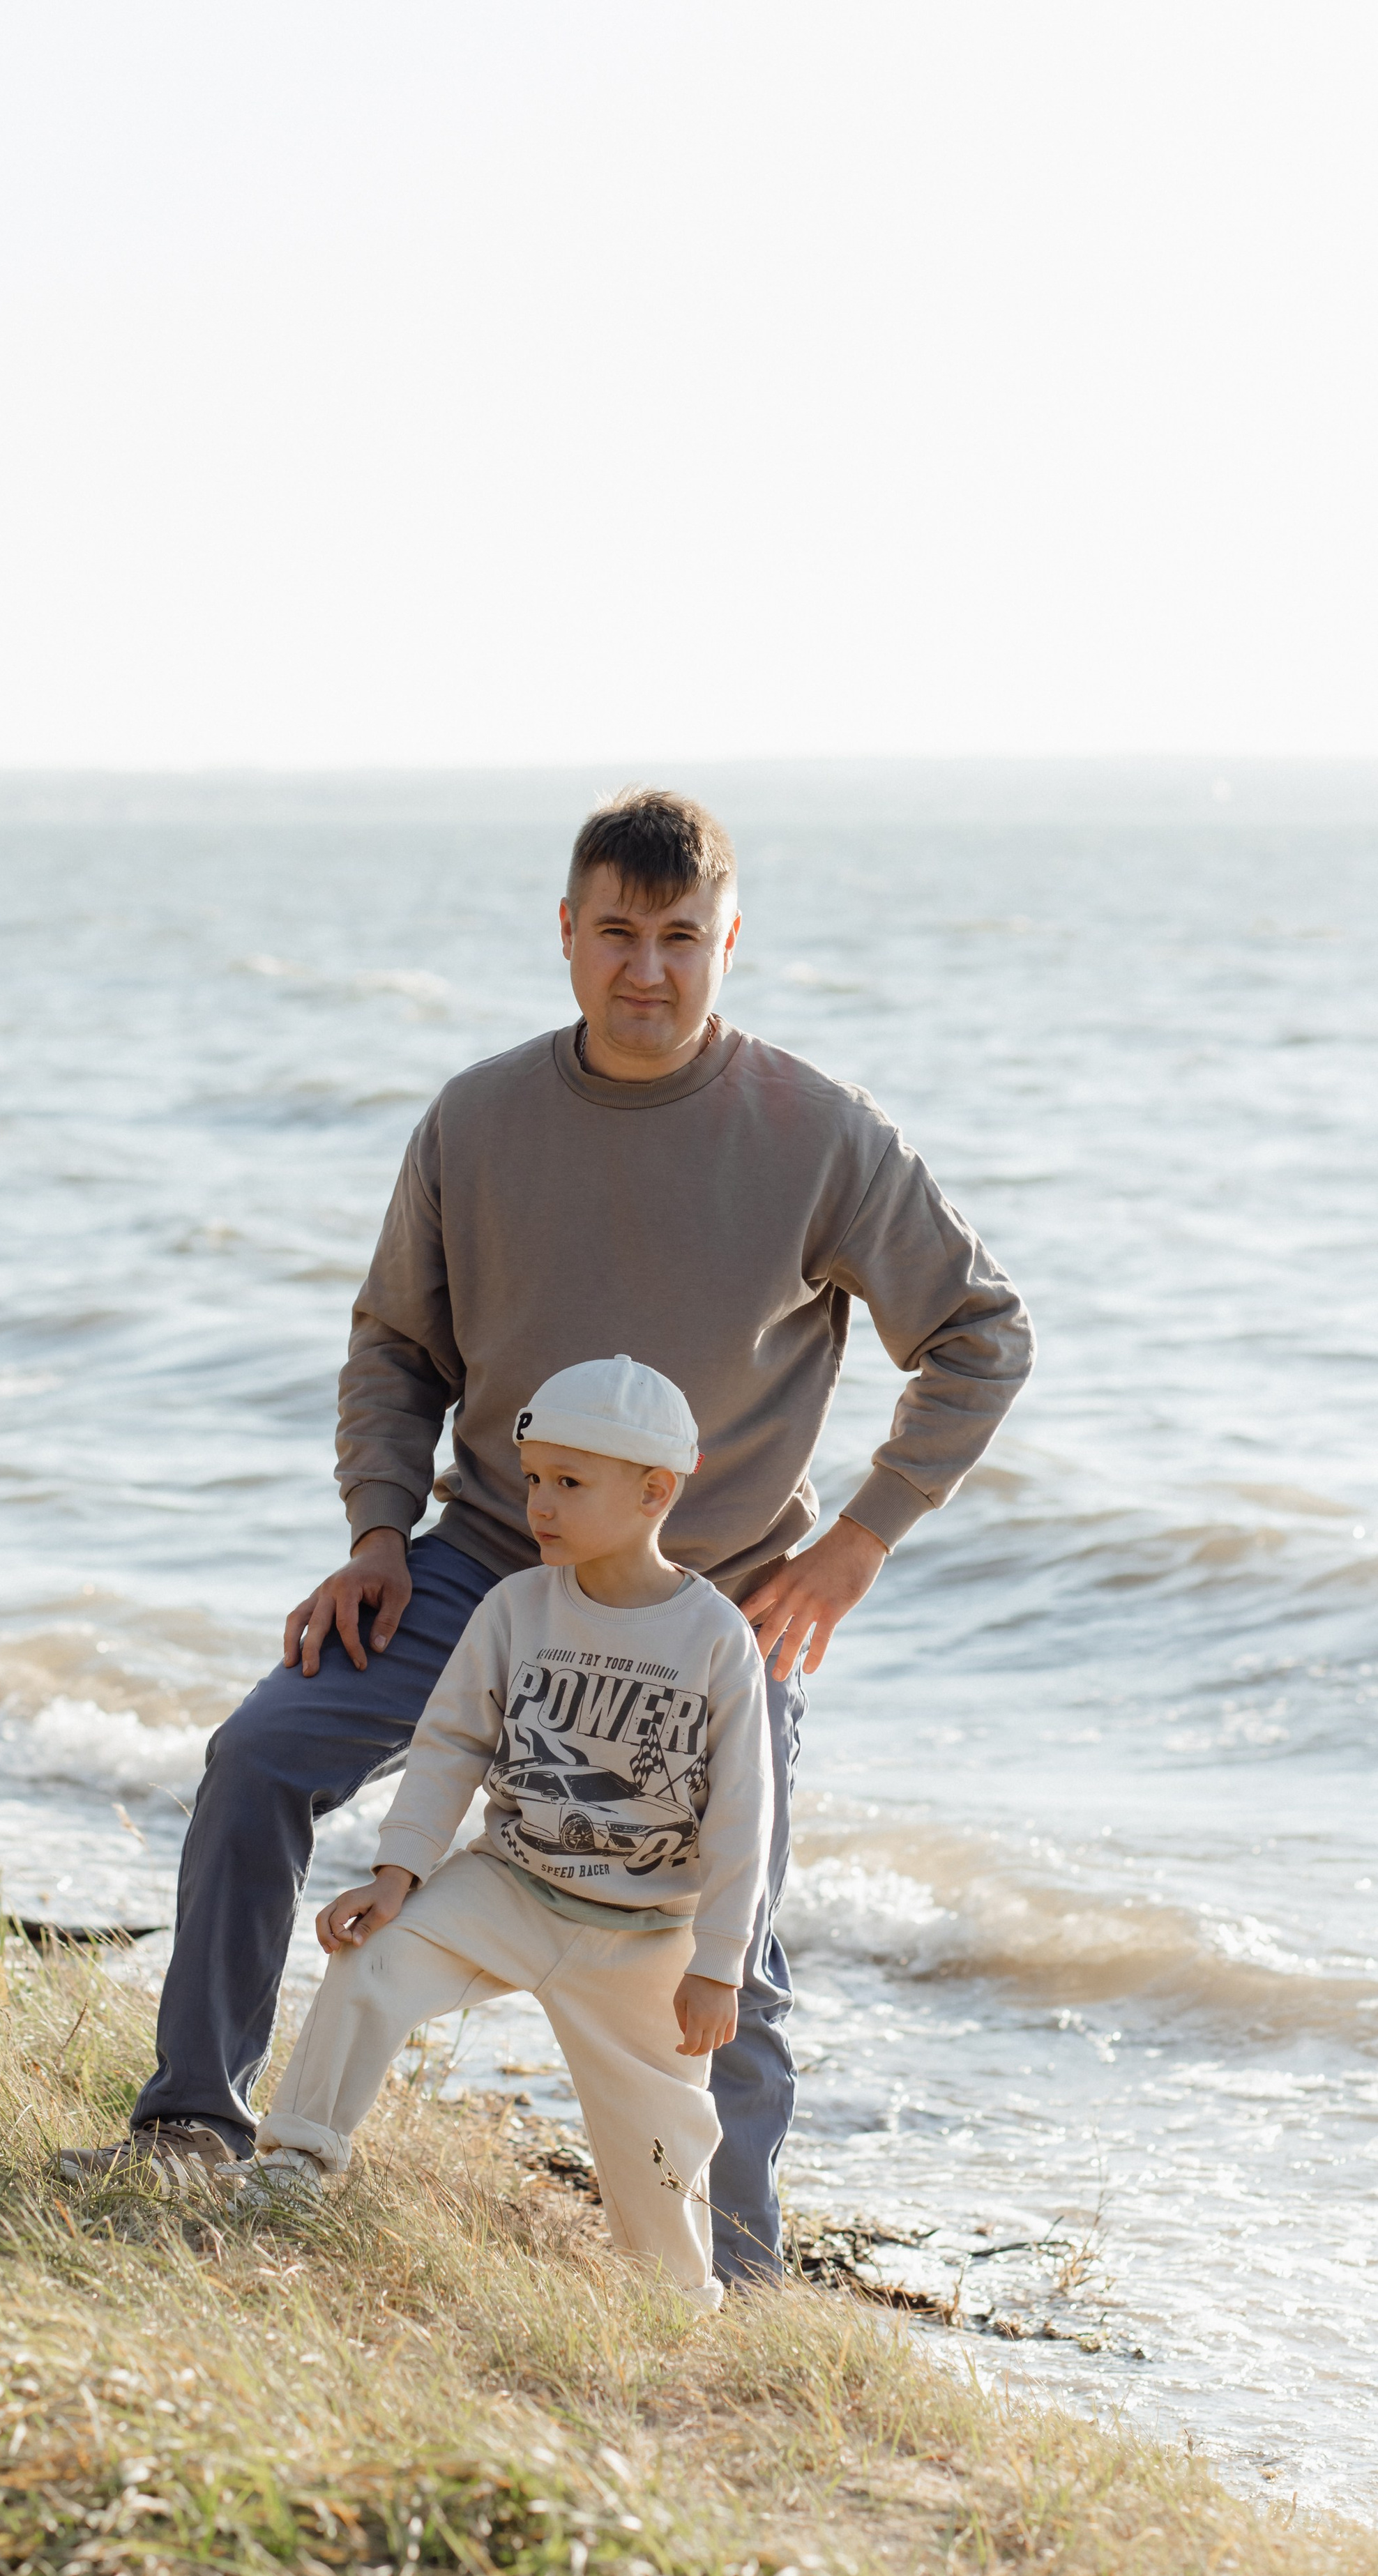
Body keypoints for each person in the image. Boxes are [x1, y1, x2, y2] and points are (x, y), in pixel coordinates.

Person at [57, 786, 1034, 2284]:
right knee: (259, 1759)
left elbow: (977, 1334)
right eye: (617, 935)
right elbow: (395, 1347)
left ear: (727, 943)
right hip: (478, 1569)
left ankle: (736, 2286)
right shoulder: (478, 1116)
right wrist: (378, 1530)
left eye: (681, 938)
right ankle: (193, 2122)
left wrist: (859, 1541)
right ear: (565, 935)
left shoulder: (817, 1136)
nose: (647, 969)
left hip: (711, 1601)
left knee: (731, 1948)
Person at [223, 1356, 771, 2315]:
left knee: (662, 2137)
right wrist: (398, 1874)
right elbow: (450, 1746)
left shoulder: (715, 1637)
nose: (541, 1505)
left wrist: (719, 1963)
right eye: (533, 1480)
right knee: (372, 1967)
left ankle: (677, 2305)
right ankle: (294, 2169)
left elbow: (742, 1815)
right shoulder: (516, 1607)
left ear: (654, 1493)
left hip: (642, 1938)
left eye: (570, 1483)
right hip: (511, 1889)